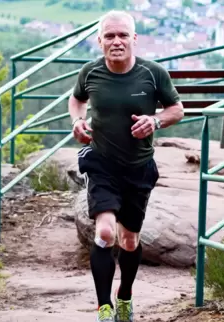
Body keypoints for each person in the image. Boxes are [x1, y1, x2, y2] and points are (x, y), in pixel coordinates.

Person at [68, 10, 184, 322]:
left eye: (122, 35)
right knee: (105, 233)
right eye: (109, 36)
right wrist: (78, 122)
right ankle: (103, 308)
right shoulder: (90, 73)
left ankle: (125, 297)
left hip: (139, 168)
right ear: (100, 41)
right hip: (102, 164)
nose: (116, 41)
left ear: (134, 38)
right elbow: (76, 99)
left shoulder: (153, 73)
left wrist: (155, 120)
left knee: (129, 239)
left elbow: (177, 109)